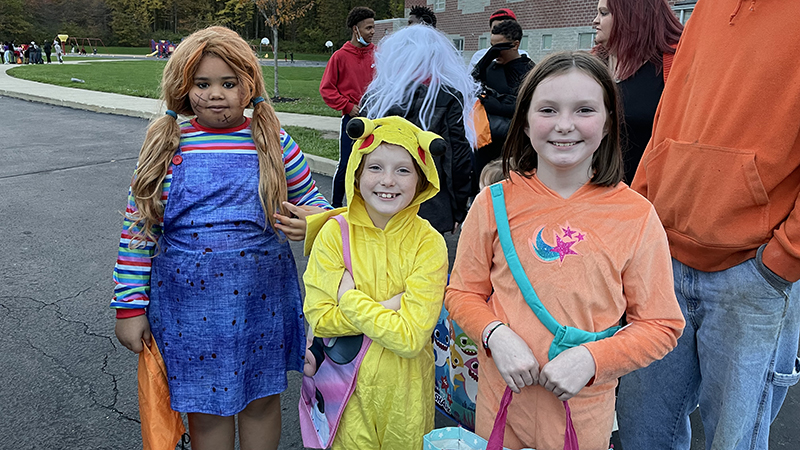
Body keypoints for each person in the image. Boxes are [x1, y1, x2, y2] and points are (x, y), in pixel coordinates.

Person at [445, 51, 685, 449]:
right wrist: (494, 334)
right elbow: (462, 293)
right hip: (501, 408)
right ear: (524, 119)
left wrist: (592, 360)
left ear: (608, 122)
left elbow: (660, 325)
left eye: (585, 110)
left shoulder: (636, 216)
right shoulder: (493, 203)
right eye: (548, 109)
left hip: (583, 416)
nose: (565, 125)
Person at [111, 26, 331, 450]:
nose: (216, 94)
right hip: (187, 308)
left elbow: (317, 204)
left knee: (262, 399)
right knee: (205, 406)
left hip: (261, 301)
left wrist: (312, 224)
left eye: (228, 84)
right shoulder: (166, 146)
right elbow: (139, 230)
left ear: (249, 86)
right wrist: (129, 306)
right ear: (183, 87)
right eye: (203, 84)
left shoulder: (273, 143)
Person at [617, 2, 800, 449]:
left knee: (732, 442)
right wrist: (641, 219)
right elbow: (671, 115)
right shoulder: (707, 9)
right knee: (641, 433)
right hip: (664, 260)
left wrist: (785, 257)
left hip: (752, 273)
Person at [303, 115, 448, 449]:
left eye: (403, 170)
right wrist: (389, 308)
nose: (388, 181)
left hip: (406, 398)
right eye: (375, 167)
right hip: (344, 396)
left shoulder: (428, 244)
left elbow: (412, 337)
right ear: (356, 173)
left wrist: (351, 300)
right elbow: (321, 318)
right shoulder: (333, 235)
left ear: (421, 180)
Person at [360, 24, 477, 235]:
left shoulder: (377, 98)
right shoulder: (447, 97)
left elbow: (359, 154)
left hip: (380, 200)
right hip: (431, 204)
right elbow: (456, 158)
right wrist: (458, 207)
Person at [591, 0, 682, 183]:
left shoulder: (673, 64)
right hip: (593, 189)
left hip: (647, 192)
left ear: (631, 17)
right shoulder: (593, 64)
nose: (595, 20)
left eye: (604, 13)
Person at [319, 6, 376, 208]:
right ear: (356, 29)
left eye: (373, 27)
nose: (372, 32)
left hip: (376, 120)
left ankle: (365, 207)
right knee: (346, 164)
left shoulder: (377, 54)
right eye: (368, 28)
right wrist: (347, 106)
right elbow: (327, 88)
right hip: (352, 121)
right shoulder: (340, 57)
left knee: (371, 164)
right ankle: (334, 205)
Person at [472, 19, 535, 187]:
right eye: (491, 46)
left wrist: (498, 105)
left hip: (515, 142)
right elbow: (472, 83)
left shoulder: (529, 71)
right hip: (487, 140)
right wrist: (486, 60)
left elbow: (530, 106)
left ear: (515, 45)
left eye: (499, 47)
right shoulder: (491, 68)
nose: (495, 52)